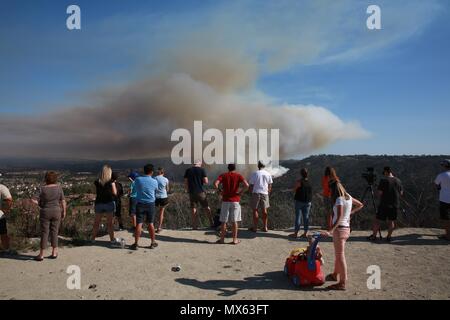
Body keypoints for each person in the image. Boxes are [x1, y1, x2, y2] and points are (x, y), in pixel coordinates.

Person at [321, 179, 364, 291]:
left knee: (340, 256)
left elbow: (339, 217)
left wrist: (330, 231)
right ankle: (335, 274)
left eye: (330, 190)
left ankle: (343, 282)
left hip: (339, 230)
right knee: (338, 254)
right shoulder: (348, 197)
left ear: (333, 190)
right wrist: (350, 212)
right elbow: (360, 205)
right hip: (346, 229)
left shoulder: (339, 199)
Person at [31, 171, 66, 261]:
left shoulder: (42, 189)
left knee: (44, 232)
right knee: (55, 231)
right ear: (55, 179)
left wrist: (39, 204)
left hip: (45, 211)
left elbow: (33, 199)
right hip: (56, 211)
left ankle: (41, 254)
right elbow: (63, 201)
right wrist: (64, 211)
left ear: (46, 179)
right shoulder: (59, 188)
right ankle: (54, 252)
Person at [214, 164, 249, 245]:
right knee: (234, 221)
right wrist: (240, 192)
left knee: (223, 221)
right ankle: (234, 240)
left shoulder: (223, 175)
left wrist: (220, 191)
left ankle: (222, 240)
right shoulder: (238, 175)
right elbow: (247, 185)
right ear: (235, 168)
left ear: (228, 168)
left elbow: (216, 183)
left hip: (225, 200)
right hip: (235, 200)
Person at [367, 167, 403, 242]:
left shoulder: (384, 180)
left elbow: (380, 193)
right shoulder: (398, 180)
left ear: (386, 172)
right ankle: (388, 237)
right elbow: (401, 193)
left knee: (377, 221)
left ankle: (374, 236)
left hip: (384, 204)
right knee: (391, 221)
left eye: (384, 173)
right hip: (394, 204)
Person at [130, 164, 158, 250]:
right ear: (152, 172)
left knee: (139, 224)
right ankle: (152, 243)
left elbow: (134, 188)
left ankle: (136, 243)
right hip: (150, 204)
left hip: (140, 204)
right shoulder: (154, 181)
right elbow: (155, 191)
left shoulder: (138, 180)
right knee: (150, 223)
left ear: (144, 171)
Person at [91, 165, 117, 244]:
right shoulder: (111, 182)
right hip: (109, 202)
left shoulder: (96, 182)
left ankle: (93, 239)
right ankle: (112, 239)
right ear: (109, 173)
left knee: (96, 223)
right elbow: (115, 193)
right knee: (110, 223)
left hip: (99, 203)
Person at [184, 160, 213, 230]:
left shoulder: (188, 170)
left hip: (191, 192)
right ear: (199, 164)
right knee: (206, 207)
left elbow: (185, 182)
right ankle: (212, 223)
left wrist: (187, 190)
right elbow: (206, 181)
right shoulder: (202, 170)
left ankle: (194, 226)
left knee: (193, 208)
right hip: (200, 191)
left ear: (194, 164)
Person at [248, 161, 273, 232]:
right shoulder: (268, 174)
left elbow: (251, 185)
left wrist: (250, 193)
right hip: (265, 193)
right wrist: (268, 192)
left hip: (256, 193)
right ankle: (265, 227)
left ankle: (255, 228)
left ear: (258, 166)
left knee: (255, 210)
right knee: (264, 210)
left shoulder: (255, 173)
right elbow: (270, 184)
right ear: (264, 166)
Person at [289, 168, 313, 239]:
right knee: (306, 217)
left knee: (298, 217)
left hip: (299, 201)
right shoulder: (309, 182)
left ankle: (296, 233)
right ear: (307, 174)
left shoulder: (299, 182)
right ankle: (305, 233)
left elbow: (294, 189)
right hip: (308, 202)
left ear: (301, 174)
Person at [435, 159, 450, 241]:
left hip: (444, 199)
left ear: (445, 166)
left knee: (446, 218)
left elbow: (437, 185)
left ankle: (448, 235)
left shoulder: (441, 175)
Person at [155, 168, 170, 233]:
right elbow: (167, 189)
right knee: (161, 213)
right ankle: (159, 227)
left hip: (156, 197)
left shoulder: (154, 178)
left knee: (153, 212)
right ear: (163, 173)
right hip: (163, 197)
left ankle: (151, 226)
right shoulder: (166, 179)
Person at [0, 182, 13, 254]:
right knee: (3, 233)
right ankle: (6, 250)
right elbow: (9, 199)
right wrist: (6, 210)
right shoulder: (2, 187)